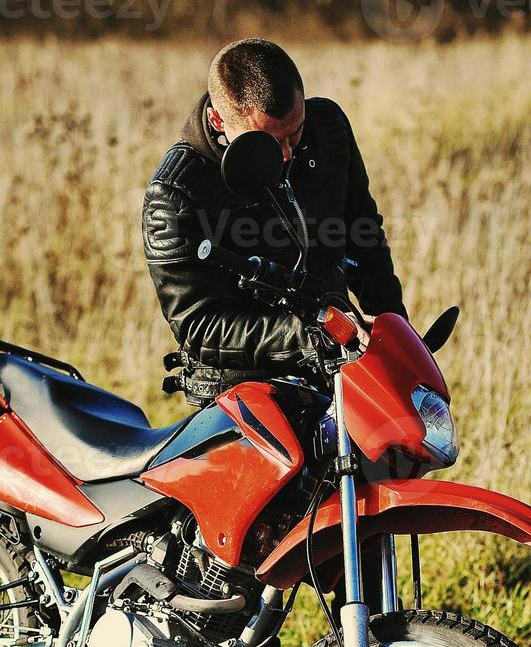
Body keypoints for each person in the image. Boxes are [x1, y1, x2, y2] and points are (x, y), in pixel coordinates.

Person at [142, 38, 407, 405]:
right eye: (267, 142)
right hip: (239, 396)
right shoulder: (176, 193)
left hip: (338, 366)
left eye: (295, 133)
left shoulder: (328, 128)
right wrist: (309, 335)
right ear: (219, 120)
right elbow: (200, 327)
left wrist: (394, 329)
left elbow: (364, 235)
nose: (286, 154)